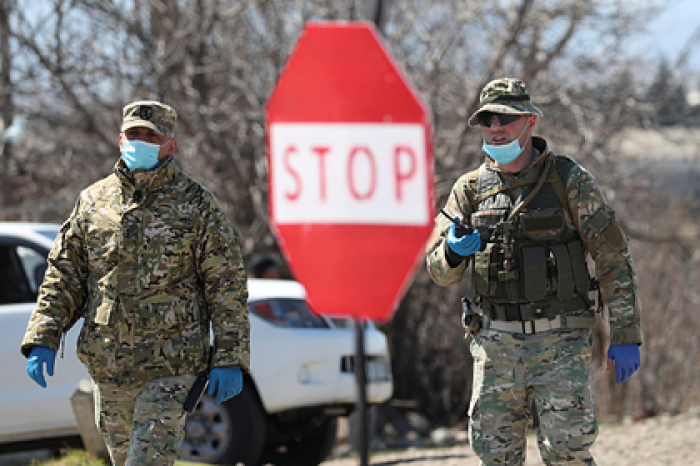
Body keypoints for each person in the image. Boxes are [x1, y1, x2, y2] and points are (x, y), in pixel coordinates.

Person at [20, 100, 250, 466]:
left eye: (151, 135)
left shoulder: (196, 204)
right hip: (108, 366)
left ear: (170, 145)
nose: (139, 141)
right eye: (133, 134)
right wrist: (43, 336)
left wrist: (230, 355)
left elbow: (226, 284)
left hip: (170, 367)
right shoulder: (93, 201)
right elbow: (65, 274)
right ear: (119, 138)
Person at [426, 78, 642, 465]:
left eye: (506, 118)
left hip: (560, 344)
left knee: (568, 455)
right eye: (488, 119)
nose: (496, 127)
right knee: (496, 457)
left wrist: (625, 333)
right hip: (495, 348)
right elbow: (438, 270)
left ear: (530, 121)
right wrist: (454, 253)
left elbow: (613, 259)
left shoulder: (568, 181)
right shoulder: (470, 189)